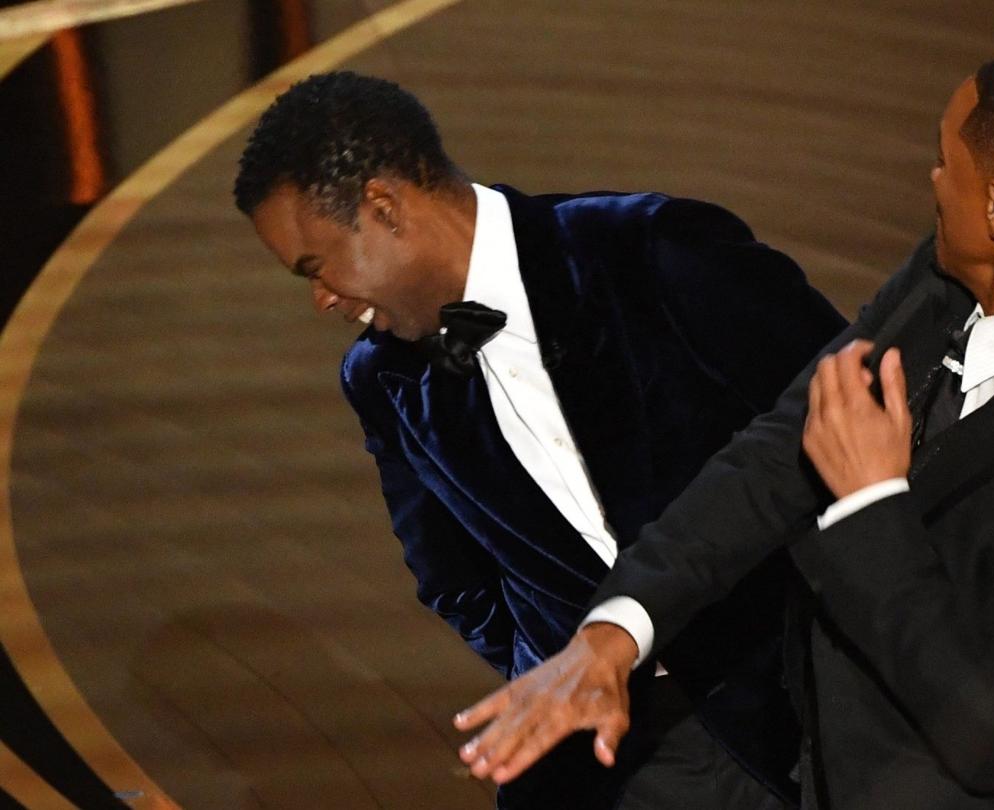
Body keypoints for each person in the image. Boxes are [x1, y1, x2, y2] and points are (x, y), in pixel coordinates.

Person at [453, 54, 994, 809]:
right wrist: (617, 629)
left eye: (945, 160)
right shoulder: (950, 275)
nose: (932, 178)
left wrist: (871, 503)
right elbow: (778, 451)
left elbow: (987, 731)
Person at [233, 71, 848, 809]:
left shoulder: (651, 250)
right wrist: (557, 662)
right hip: (606, 765)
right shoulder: (380, 380)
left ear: (383, 207)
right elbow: (453, 581)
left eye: (316, 267)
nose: (321, 299)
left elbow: (857, 415)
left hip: (803, 709)